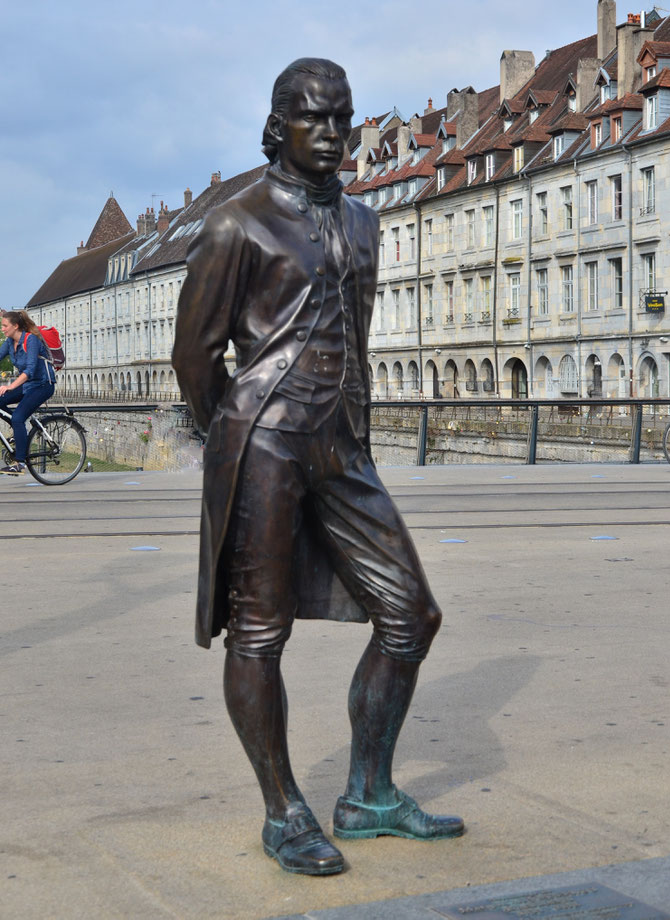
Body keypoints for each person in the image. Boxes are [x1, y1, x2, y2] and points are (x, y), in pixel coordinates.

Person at [172, 58, 464, 877]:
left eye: (343, 118)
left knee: (412, 615)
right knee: (259, 631)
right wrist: (237, 435)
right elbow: (195, 359)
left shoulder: (368, 222)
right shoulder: (236, 225)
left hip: (344, 441)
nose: (334, 134)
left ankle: (369, 793)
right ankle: (283, 807)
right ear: (279, 126)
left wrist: (346, 429)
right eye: (315, 119)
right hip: (265, 436)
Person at [0, 310, 56, 475]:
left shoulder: (30, 340)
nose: (2, 329)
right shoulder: (10, 342)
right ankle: (20, 434)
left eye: (5, 326)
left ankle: (20, 463)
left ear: (15, 326)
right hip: (27, 385)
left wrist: (10, 387)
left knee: (18, 416)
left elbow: (30, 370)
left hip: (43, 385)